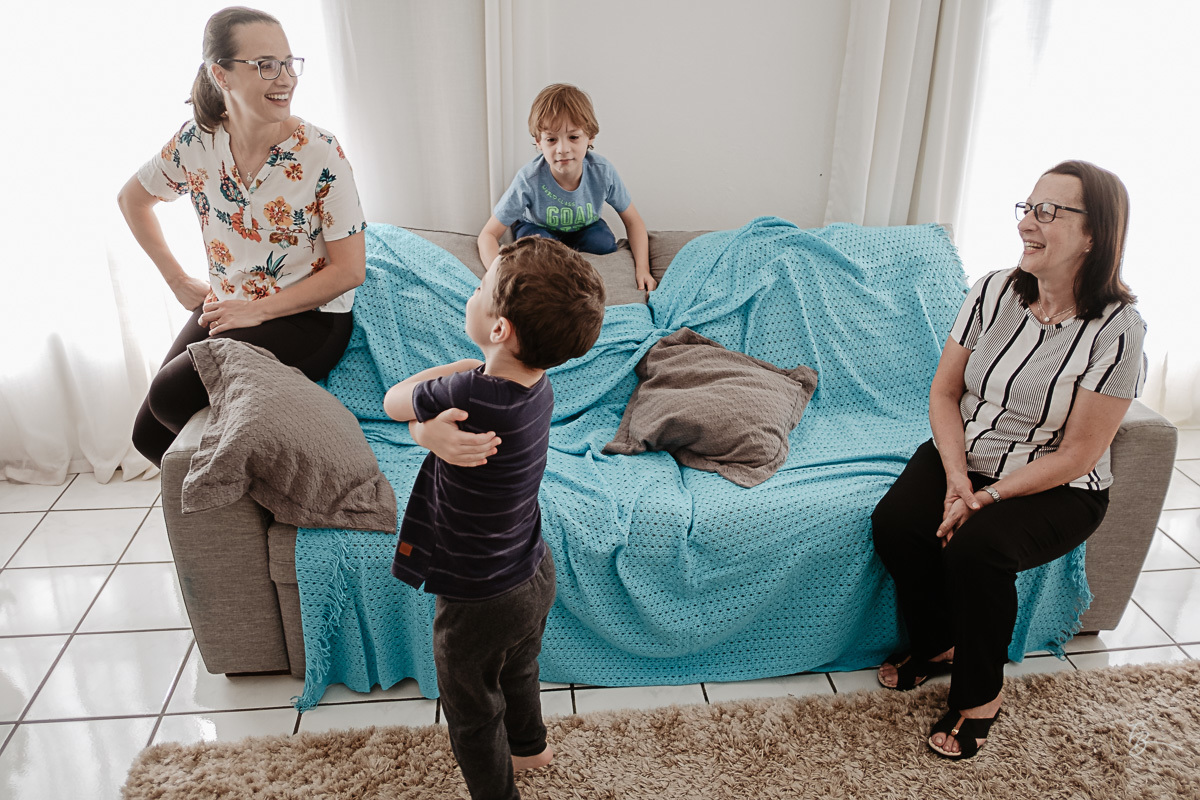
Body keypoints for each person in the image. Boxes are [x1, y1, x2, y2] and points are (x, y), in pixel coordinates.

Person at [870, 160, 1146, 760]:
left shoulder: (1117, 331)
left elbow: (1079, 453)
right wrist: (956, 479)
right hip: (970, 455)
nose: (1028, 223)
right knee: (895, 524)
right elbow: (945, 393)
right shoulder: (994, 289)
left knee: (977, 549)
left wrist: (987, 498)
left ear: (1094, 233)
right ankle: (939, 641)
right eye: (1027, 207)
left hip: (1059, 483)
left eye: (1048, 212)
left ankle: (980, 695)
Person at [383, 237, 605, 800]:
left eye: (482, 288)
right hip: (531, 568)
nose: (473, 291)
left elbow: (393, 400)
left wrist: (422, 430)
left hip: (477, 594)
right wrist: (435, 427)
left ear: (500, 328)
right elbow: (471, 379)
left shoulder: (467, 393)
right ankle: (531, 748)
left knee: (472, 708)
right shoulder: (538, 385)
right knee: (518, 668)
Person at [118, 6, 366, 467]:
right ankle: (231, 500)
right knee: (148, 435)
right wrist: (178, 281)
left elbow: (349, 270)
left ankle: (260, 484)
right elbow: (133, 199)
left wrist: (256, 311)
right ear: (222, 75)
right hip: (231, 304)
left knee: (171, 394)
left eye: (290, 63)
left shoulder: (320, 152)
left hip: (308, 317)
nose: (286, 78)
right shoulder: (196, 143)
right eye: (266, 65)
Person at [477, 83, 655, 292]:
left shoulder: (602, 171)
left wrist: (643, 269)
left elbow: (633, 221)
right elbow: (487, 235)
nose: (562, 149)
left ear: (590, 136)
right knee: (538, 251)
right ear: (539, 142)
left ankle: (568, 251)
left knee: (604, 243)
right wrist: (496, 277)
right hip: (538, 227)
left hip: (583, 227)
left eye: (573, 137)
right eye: (551, 139)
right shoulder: (529, 179)